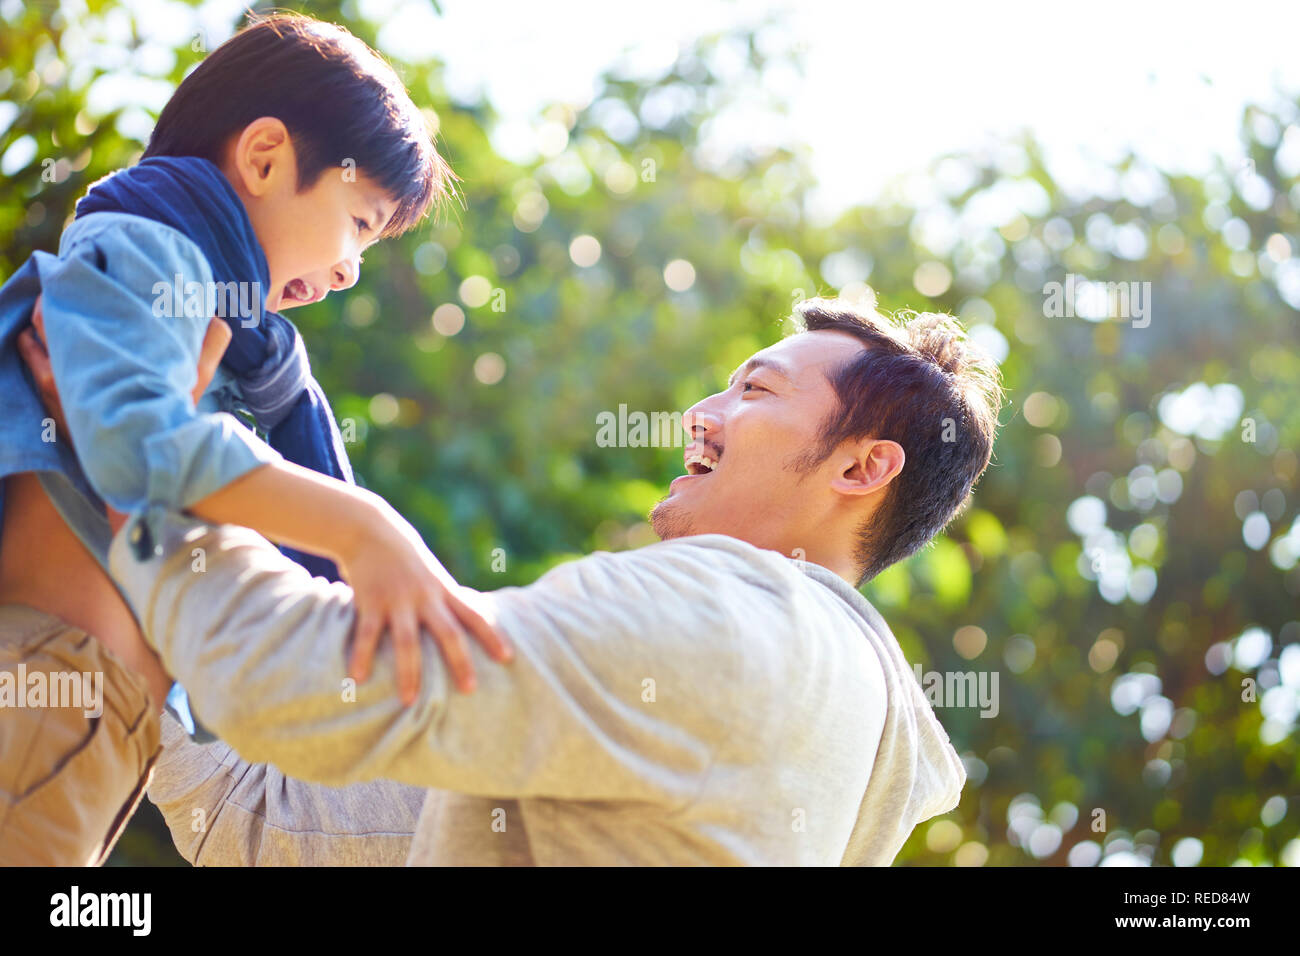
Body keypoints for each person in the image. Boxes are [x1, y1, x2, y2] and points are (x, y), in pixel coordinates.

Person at [93, 296, 1003, 865]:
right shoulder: (847, 752)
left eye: (756, 392)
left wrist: (140, 500)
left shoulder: (723, 609)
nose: (701, 412)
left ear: (860, 469)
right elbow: (261, 825)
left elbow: (301, 681)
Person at [0, 12, 508, 867]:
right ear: (266, 157)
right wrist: (361, 528)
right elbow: (138, 441)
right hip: (51, 681)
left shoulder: (222, 337)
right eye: (360, 222)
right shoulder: (147, 249)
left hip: (87, 707)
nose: (351, 269)